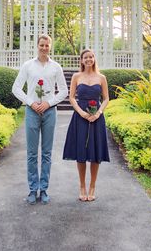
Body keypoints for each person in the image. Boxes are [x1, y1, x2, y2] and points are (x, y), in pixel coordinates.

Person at [12, 34, 68, 205]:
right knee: (31, 153)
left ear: (50, 46)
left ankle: (43, 189)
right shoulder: (28, 66)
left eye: (47, 45)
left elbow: (64, 91)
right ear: (37, 46)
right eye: (41, 45)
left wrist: (48, 103)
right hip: (31, 112)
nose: (44, 48)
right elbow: (16, 88)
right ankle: (32, 189)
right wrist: (31, 102)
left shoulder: (56, 67)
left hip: (50, 112)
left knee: (46, 153)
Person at [62, 48, 110, 202]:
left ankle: (92, 187)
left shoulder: (101, 77)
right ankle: (82, 186)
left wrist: (98, 113)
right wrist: (81, 112)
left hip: (97, 118)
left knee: (95, 154)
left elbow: (106, 99)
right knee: (81, 153)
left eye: (91, 57)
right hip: (80, 118)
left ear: (94, 59)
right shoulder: (77, 76)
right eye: (85, 57)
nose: (89, 59)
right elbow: (71, 98)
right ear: (81, 60)